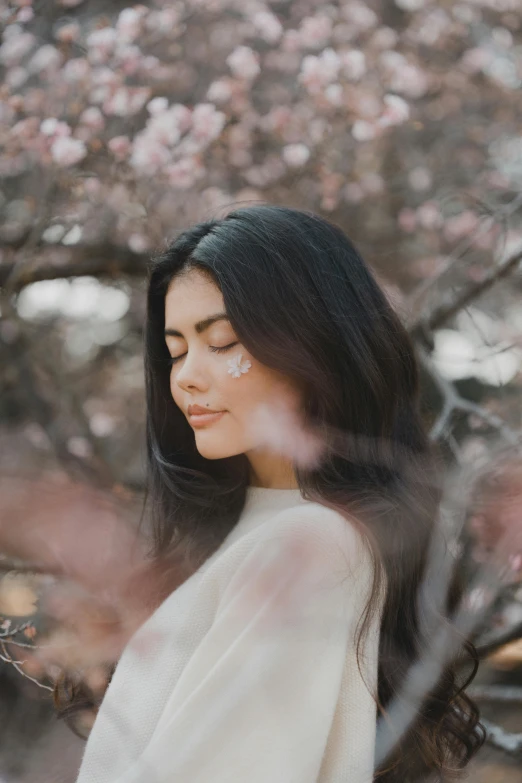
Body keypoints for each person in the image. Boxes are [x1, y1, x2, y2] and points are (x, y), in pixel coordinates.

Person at [65, 205, 484, 782]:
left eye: (223, 341)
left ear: (315, 348)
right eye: (177, 348)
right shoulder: (254, 530)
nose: (186, 375)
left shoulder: (310, 544)